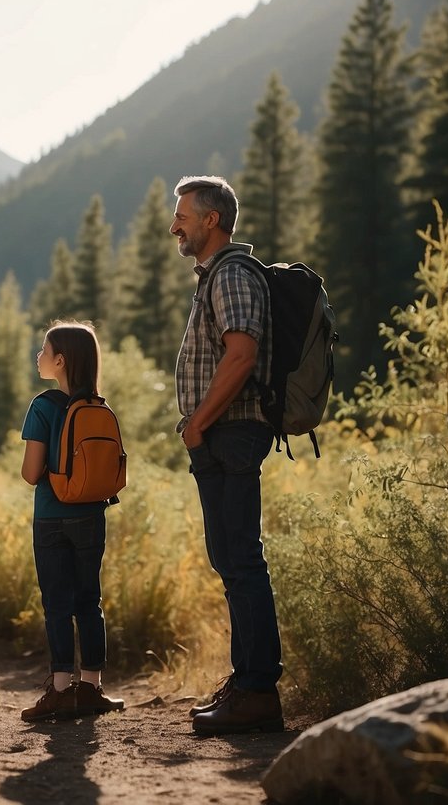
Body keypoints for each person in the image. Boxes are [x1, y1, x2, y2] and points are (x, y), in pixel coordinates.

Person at [171, 176, 284, 735]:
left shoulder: (233, 274)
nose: (175, 226)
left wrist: (196, 425)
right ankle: (247, 684)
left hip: (231, 435)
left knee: (240, 559)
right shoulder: (217, 276)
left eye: (184, 216)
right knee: (232, 558)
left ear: (211, 219)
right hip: (221, 436)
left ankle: (258, 691)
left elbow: (241, 356)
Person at [18, 321, 125, 722]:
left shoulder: (43, 406)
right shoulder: (99, 406)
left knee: (57, 604)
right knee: (89, 602)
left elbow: (31, 473)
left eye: (44, 350)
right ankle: (92, 688)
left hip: (51, 518)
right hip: (92, 516)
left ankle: (60, 691)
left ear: (59, 361)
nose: (39, 356)